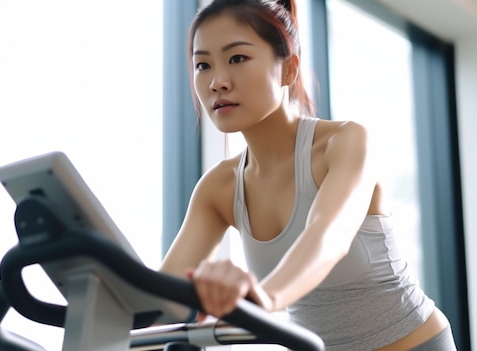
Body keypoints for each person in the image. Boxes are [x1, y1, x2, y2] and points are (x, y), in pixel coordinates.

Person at [159, 0, 457, 350]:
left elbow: (329, 237)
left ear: (288, 70)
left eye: (237, 58)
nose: (217, 82)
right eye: (203, 65)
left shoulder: (345, 142)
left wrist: (264, 299)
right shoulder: (218, 189)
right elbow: (162, 298)